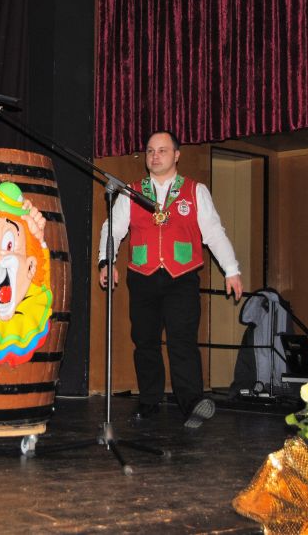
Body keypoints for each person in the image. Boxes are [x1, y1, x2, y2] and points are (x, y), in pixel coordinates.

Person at [98, 130, 243, 429]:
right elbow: (111, 229)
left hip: (182, 278)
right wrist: (106, 261)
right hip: (143, 277)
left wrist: (231, 270)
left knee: (182, 341)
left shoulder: (195, 191)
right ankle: (149, 400)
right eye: (151, 151)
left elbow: (214, 233)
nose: (155, 156)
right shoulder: (131, 191)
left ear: (177, 155)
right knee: (145, 341)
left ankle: (192, 403)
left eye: (162, 150)